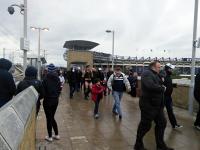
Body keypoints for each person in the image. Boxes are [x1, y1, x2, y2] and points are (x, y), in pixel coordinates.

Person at [134, 61, 174, 150]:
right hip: (148, 105)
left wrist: (162, 75)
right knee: (145, 125)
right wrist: (162, 88)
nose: (160, 69)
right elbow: (150, 86)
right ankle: (138, 144)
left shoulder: (156, 73)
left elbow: (163, 72)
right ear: (153, 67)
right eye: (159, 67)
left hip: (158, 106)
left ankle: (160, 145)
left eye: (160, 67)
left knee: (162, 123)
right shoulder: (146, 74)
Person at [42, 64, 61, 142]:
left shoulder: (45, 79)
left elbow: (43, 92)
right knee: (52, 117)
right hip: (55, 100)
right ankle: (56, 135)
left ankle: (50, 136)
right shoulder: (58, 79)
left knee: (49, 118)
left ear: (48, 70)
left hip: (47, 101)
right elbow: (59, 90)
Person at [163, 63, 183, 129]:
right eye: (170, 69)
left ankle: (174, 125)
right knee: (158, 111)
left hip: (168, 97)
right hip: (163, 97)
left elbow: (167, 84)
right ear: (167, 69)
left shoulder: (168, 76)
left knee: (170, 111)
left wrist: (173, 85)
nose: (171, 70)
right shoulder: (163, 76)